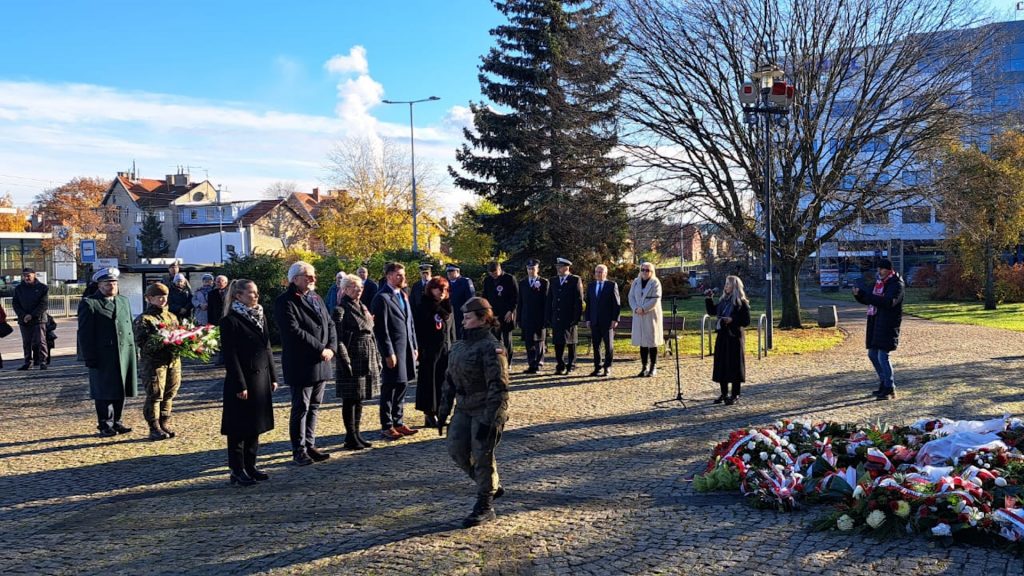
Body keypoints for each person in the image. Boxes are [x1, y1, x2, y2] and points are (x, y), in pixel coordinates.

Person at [437, 297, 510, 528]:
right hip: (464, 406)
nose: (463, 321)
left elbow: (498, 386)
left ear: (482, 319)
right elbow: (449, 379)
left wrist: (492, 420)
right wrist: (443, 409)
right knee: (456, 450)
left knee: (482, 455)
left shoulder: (491, 347)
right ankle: (491, 486)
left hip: (485, 409)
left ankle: (485, 504)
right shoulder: (459, 346)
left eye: (468, 317)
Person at [273, 261, 337, 466]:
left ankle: (310, 444)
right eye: (308, 276)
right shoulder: (285, 301)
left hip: (322, 360)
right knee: (301, 406)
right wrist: (320, 348)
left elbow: (329, 323)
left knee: (315, 406)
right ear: (295, 278)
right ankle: (298, 449)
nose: (313, 279)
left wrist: (331, 348)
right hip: (302, 362)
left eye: (314, 275)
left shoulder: (316, 297)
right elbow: (294, 331)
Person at [220, 279, 279, 486]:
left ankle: (251, 465)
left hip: (260, 378)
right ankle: (237, 469)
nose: (256, 296)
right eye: (251, 293)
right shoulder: (230, 321)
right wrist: (240, 384)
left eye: (256, 292)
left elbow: (267, 347)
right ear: (239, 296)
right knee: (238, 428)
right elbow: (230, 355)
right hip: (243, 379)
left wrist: (273, 375)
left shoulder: (259, 316)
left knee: (255, 425)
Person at [78, 268, 137, 437]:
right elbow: (85, 333)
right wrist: (89, 357)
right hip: (103, 355)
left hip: (124, 352)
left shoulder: (123, 301)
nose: (112, 286)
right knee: (103, 391)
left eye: (114, 283)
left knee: (121, 389)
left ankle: (117, 421)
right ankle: (104, 424)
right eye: (107, 283)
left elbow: (130, 328)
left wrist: (135, 350)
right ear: (99, 285)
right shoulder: (90, 303)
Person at [371, 262, 419, 440]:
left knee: (403, 385)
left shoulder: (404, 295)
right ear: (389, 276)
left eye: (403, 274)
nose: (403, 278)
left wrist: (414, 346)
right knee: (390, 387)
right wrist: (387, 352)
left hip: (406, 348)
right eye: (399, 275)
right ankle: (387, 425)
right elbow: (381, 329)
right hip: (393, 350)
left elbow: (410, 323)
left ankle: (398, 421)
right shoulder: (381, 297)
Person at [333, 274, 380, 450]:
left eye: (360, 286)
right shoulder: (340, 309)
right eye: (354, 286)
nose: (358, 290)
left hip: (366, 354)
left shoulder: (363, 306)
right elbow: (338, 338)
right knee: (350, 398)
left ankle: (357, 433)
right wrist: (345, 359)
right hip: (352, 356)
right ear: (344, 289)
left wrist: (377, 356)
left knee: (360, 397)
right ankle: (350, 436)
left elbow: (371, 331)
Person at [133, 282, 182, 441]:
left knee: (170, 392)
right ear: (149, 298)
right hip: (154, 363)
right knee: (155, 394)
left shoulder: (172, 316)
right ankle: (154, 427)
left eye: (165, 297)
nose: (162, 300)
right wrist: (162, 341)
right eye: (158, 297)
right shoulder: (144, 319)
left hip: (173, 361)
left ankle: (164, 422)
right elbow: (142, 342)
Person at [852, 258, 905, 401]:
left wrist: (867, 296)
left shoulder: (896, 284)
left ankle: (889, 387)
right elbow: (870, 299)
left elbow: (888, 302)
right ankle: (884, 382)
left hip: (888, 323)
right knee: (872, 354)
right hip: (875, 321)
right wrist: (859, 295)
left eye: (881, 269)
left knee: (883, 356)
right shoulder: (879, 283)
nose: (879, 272)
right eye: (878, 269)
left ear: (889, 270)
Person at [414, 276, 455, 428]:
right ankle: (429, 413)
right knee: (429, 383)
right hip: (429, 351)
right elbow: (418, 330)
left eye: (445, 289)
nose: (442, 292)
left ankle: (441, 411)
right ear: (431, 289)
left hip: (445, 350)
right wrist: (420, 348)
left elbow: (452, 331)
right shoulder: (424, 306)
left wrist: (454, 346)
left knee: (443, 383)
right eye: (439, 289)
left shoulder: (447, 307)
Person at [705, 275, 751, 405]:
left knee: (734, 365)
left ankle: (735, 394)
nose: (725, 286)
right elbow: (713, 311)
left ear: (735, 287)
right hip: (722, 335)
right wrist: (709, 298)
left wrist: (733, 320)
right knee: (721, 364)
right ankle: (724, 393)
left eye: (728, 284)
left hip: (734, 337)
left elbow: (746, 321)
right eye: (725, 284)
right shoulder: (724, 301)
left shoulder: (741, 303)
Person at [546, 257, 584, 375]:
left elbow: (578, 300)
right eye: (557, 267)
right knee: (558, 342)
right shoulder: (553, 280)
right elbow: (549, 299)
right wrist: (548, 316)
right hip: (557, 316)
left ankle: (571, 364)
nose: (558, 269)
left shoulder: (575, 280)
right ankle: (560, 364)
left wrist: (576, 318)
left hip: (569, 316)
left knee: (571, 342)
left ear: (566, 267)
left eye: (560, 267)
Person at [628, 262, 664, 377]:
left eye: (647, 270)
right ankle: (644, 366)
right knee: (642, 342)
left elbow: (656, 299)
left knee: (652, 341)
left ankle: (653, 367)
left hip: (650, 315)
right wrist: (635, 308)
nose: (644, 272)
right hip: (638, 315)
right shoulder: (636, 281)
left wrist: (643, 308)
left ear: (652, 272)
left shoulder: (655, 282)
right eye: (643, 269)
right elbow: (631, 296)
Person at [585, 264, 621, 377]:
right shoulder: (591, 286)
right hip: (594, 320)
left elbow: (616, 304)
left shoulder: (611, 285)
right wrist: (587, 319)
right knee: (596, 345)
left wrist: (615, 319)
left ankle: (607, 367)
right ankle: (597, 367)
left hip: (607, 321)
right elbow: (588, 304)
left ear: (606, 273)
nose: (598, 274)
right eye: (597, 272)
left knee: (608, 345)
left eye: (601, 272)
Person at [516, 259, 548, 374]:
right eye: (529, 269)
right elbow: (520, 302)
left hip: (539, 317)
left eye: (533, 269)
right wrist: (518, 318)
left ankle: (539, 364)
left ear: (537, 269)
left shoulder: (544, 282)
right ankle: (531, 364)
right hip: (526, 317)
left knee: (539, 342)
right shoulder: (523, 283)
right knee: (529, 342)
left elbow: (546, 302)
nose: (531, 271)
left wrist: (546, 318)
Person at [482, 261, 517, 367]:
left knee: (507, 340)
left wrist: (511, 311)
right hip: (493, 314)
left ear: (500, 269)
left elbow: (515, 297)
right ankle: (498, 361)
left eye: (495, 272)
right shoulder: (488, 280)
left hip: (506, 313)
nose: (493, 275)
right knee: (495, 340)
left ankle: (508, 361)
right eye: (491, 273)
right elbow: (485, 296)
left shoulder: (509, 279)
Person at [13, 267, 49, 370]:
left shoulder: (42, 288)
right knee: (26, 342)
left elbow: (43, 304)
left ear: (34, 275)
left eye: (28, 275)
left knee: (40, 341)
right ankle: (28, 361)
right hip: (24, 319)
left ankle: (43, 361)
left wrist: (32, 315)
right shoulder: (19, 288)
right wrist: (23, 315)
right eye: (24, 276)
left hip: (38, 319)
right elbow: (15, 303)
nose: (26, 278)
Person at [447, 264, 476, 339]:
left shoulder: (465, 281)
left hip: (462, 313)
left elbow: (471, 298)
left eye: (451, 271)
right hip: (451, 314)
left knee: (464, 335)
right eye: (448, 272)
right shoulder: (446, 283)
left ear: (457, 271)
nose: (449, 274)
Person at [208, 275, 229, 365]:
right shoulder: (211, 293)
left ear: (226, 283)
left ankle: (229, 358)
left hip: (228, 318)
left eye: (222, 281)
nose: (219, 283)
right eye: (218, 281)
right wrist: (210, 322)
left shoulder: (230, 292)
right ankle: (221, 358)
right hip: (216, 319)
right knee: (219, 339)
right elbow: (210, 308)